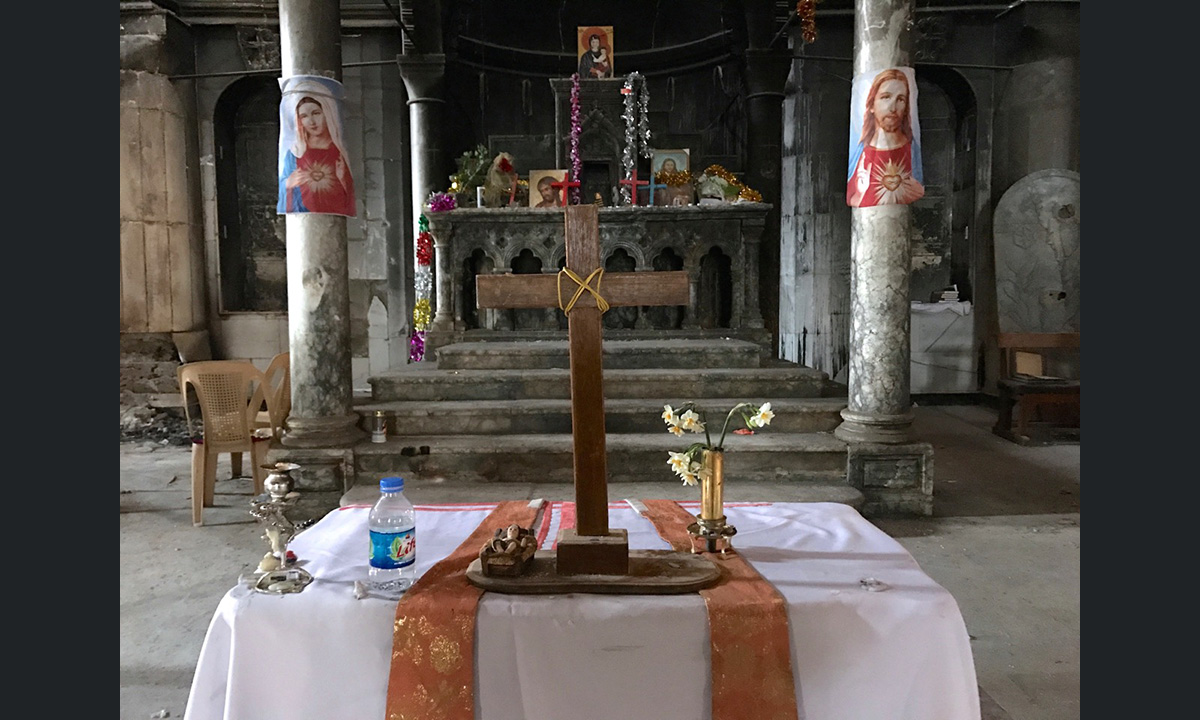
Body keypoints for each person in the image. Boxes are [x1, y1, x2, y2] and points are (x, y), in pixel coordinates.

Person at [846, 68, 924, 208]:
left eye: (900, 99)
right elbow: (854, 197)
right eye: (886, 97)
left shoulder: (912, 151)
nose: (892, 108)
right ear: (871, 104)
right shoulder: (860, 155)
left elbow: (919, 194)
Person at [278, 88, 356, 216]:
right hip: (303, 216)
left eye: (316, 113)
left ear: (327, 113)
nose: (311, 122)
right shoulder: (295, 152)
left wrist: (342, 178)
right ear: (299, 121)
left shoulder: (338, 151)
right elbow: (284, 185)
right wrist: (288, 183)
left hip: (333, 216)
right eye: (304, 116)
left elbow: (349, 194)